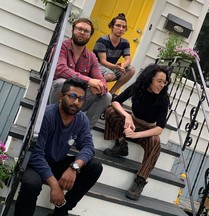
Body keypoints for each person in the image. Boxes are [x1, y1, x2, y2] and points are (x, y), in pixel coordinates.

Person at [14, 78, 103, 216]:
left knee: (95, 166)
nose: (76, 102)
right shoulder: (47, 115)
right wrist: (55, 185)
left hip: (57, 163)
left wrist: (74, 167)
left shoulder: (81, 119)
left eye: (81, 99)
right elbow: (36, 154)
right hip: (36, 163)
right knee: (31, 184)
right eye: (72, 96)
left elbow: (88, 147)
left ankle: (62, 210)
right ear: (61, 96)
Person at [103, 64, 170, 200]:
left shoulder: (164, 98)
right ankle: (121, 145)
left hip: (148, 129)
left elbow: (160, 128)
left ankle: (140, 181)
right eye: (159, 81)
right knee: (110, 110)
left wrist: (136, 135)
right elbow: (116, 102)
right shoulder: (138, 87)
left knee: (155, 141)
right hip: (133, 122)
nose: (162, 85)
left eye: (165, 82)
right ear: (150, 79)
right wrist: (127, 116)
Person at [49, 18, 111, 128]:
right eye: (79, 29)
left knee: (106, 96)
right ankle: (52, 120)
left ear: (90, 35)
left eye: (86, 31)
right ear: (73, 30)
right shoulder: (61, 47)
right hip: (58, 95)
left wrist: (99, 88)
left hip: (78, 99)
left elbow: (102, 82)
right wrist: (89, 81)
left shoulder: (91, 57)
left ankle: (82, 131)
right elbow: (60, 69)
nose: (82, 32)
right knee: (62, 82)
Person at [93, 13, 135, 97]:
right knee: (110, 75)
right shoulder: (102, 40)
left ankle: (111, 93)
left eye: (123, 27)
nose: (121, 29)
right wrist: (116, 67)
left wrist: (122, 65)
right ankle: (96, 88)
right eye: (118, 26)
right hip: (97, 65)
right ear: (112, 26)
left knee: (131, 70)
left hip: (111, 67)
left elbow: (128, 60)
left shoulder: (125, 43)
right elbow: (103, 61)